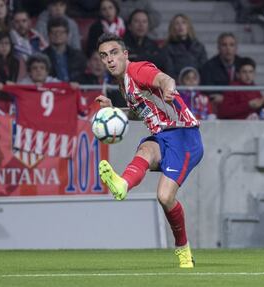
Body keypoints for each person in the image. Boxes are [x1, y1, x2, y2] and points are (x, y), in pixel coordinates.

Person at [96, 33, 203, 268]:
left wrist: (168, 88)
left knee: (165, 197)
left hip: (184, 136)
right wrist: (116, 110)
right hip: (163, 136)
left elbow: (164, 79)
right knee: (145, 148)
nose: (110, 60)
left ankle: (183, 250)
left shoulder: (137, 70)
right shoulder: (123, 82)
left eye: (114, 53)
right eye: (104, 56)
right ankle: (122, 185)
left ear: (125, 54)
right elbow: (140, 112)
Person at [200, 32, 243, 103]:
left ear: (236, 48)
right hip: (218, 105)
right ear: (218, 48)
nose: (228, 48)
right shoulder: (209, 66)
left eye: (231, 45)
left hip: (238, 103)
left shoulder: (242, 64)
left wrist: (226, 98)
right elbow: (207, 90)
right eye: (224, 45)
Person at [163, 14, 207, 80]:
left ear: (188, 26)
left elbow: (204, 68)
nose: (180, 26)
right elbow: (169, 70)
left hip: (197, 85)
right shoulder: (168, 48)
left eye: (183, 22)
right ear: (173, 27)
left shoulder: (199, 46)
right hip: (178, 86)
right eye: (177, 23)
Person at [43, 17, 87, 82]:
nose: (57, 35)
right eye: (54, 32)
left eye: (61, 32)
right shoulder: (43, 57)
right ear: (48, 35)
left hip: (75, 90)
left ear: (67, 35)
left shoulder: (78, 56)